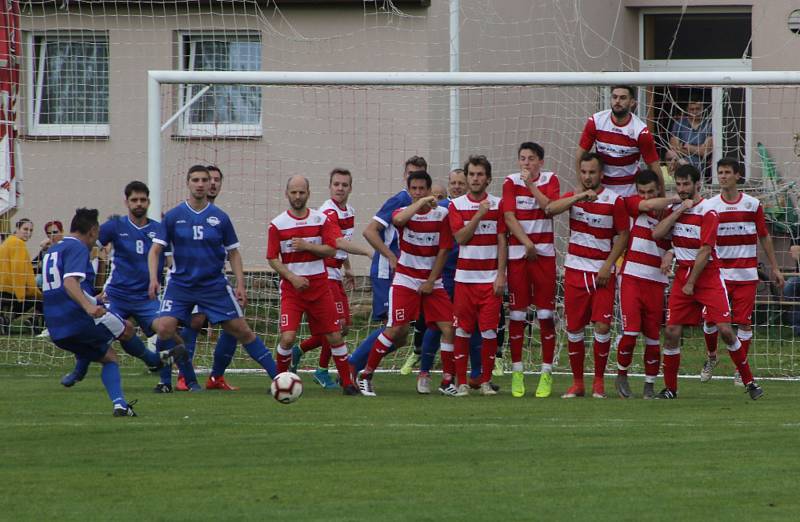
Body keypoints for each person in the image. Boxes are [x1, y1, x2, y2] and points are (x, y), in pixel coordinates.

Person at [43, 208, 182, 416]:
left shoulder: (53, 250)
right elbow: (69, 283)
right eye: (97, 235)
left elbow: (58, 288)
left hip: (55, 326)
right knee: (125, 329)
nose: (96, 241)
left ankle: (120, 405)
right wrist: (89, 306)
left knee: (107, 353)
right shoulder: (78, 248)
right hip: (78, 318)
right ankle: (155, 362)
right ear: (91, 231)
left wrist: (92, 298)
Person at [148, 165, 277, 390]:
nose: (200, 184)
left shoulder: (220, 218)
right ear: (188, 183)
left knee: (242, 330)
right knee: (165, 328)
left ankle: (279, 378)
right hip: (181, 285)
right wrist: (153, 278)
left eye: (204, 180)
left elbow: (234, 253)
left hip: (213, 285)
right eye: (195, 180)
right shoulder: (173, 216)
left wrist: (241, 285)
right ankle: (171, 381)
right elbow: (155, 251)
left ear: (210, 185)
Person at [652, 164, 763, 400]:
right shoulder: (676, 209)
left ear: (697, 185)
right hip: (683, 274)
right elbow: (657, 233)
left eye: (686, 184)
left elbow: (704, 251)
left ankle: (749, 381)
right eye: (678, 184)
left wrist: (691, 282)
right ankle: (670, 388)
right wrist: (678, 210)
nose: (681, 189)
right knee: (671, 331)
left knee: (725, 330)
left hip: (708, 276)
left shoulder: (708, 212)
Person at [60, 182, 181, 389]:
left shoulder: (159, 229)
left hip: (147, 298)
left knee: (165, 328)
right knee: (100, 331)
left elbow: (171, 262)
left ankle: (165, 381)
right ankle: (79, 371)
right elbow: (87, 246)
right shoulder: (115, 226)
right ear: (126, 202)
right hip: (116, 295)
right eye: (134, 200)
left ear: (149, 202)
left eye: (143, 200)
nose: (139, 204)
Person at [357, 170, 455, 396]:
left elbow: (443, 251)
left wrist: (431, 281)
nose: (419, 192)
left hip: (432, 281)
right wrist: (419, 203)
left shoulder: (442, 215)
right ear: (409, 191)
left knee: (448, 328)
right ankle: (366, 375)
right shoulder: (402, 212)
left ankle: (447, 381)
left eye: (423, 189)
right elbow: (398, 220)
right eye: (414, 189)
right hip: (406, 279)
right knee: (396, 329)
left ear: (430, 190)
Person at [546, 152, 629, 399]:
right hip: (575, 271)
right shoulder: (574, 198)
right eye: (583, 172)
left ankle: (599, 382)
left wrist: (608, 265)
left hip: (602, 272)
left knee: (602, 326)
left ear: (601, 174)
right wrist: (580, 195)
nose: (587, 176)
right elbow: (550, 209)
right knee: (574, 327)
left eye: (592, 172)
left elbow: (623, 235)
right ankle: (577, 383)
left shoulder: (614, 201)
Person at [267, 176, 358, 396]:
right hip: (292, 289)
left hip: (319, 287)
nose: (297, 196)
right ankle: (279, 381)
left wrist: (308, 246)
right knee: (288, 338)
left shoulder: (320, 220)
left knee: (335, 335)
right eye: (293, 192)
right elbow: (272, 258)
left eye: (301, 192)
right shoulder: (277, 224)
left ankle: (348, 383)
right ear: (286, 193)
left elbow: (331, 249)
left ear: (308, 193)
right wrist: (292, 277)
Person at [701, 158, 784, 385]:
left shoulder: (752, 205)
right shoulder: (710, 206)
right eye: (720, 172)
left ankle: (741, 368)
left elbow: (764, 236)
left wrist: (775, 267)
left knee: (744, 323)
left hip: (746, 274)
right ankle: (711, 357)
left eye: (728, 172)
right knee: (710, 321)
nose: (723, 176)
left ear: (738, 176)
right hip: (717, 275)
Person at [290, 168, 372, 388]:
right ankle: (322, 370)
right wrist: (367, 252)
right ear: (330, 187)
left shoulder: (349, 211)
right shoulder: (328, 211)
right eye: (336, 184)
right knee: (337, 325)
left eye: (344, 185)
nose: (340, 188)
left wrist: (348, 267)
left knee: (343, 327)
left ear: (350, 188)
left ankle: (299, 351)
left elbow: (339, 242)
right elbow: (337, 242)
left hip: (336, 272)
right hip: (323, 273)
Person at [348, 156, 427, 374]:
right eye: (410, 174)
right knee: (393, 329)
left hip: (406, 274)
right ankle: (352, 367)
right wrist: (391, 257)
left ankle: (358, 366)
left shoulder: (422, 204)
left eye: (419, 174)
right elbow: (369, 231)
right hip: (387, 272)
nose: (415, 181)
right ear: (405, 177)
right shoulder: (399, 200)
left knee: (400, 337)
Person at [614, 170, 680, 399]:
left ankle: (649, 384)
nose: (645, 197)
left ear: (658, 189)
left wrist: (670, 253)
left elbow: (678, 241)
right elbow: (645, 204)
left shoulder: (672, 215)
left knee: (653, 335)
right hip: (632, 277)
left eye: (650, 191)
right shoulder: (633, 204)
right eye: (642, 192)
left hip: (656, 281)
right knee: (630, 331)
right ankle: (621, 375)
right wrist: (675, 198)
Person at [502, 142, 560, 398]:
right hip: (519, 256)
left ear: (540, 162)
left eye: (531, 159)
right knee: (517, 316)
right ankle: (517, 372)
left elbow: (549, 207)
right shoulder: (509, 182)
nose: (526, 163)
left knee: (546, 315)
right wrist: (527, 243)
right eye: (522, 158)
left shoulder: (550, 180)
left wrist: (531, 185)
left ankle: (546, 372)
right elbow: (509, 217)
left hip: (544, 256)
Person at [449, 155, 507, 396]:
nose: (475, 178)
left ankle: (485, 380)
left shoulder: (499, 204)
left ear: (488, 179)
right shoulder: (456, 205)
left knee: (489, 332)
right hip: (464, 280)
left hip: (490, 279)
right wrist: (478, 215)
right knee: (462, 330)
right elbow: (460, 238)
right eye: (471, 174)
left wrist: (501, 275)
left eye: (479, 174)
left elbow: (502, 241)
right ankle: (461, 381)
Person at [576, 85, 661, 197]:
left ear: (632, 102)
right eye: (614, 97)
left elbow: (654, 166)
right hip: (601, 189)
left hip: (629, 191)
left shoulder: (641, 131)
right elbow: (580, 155)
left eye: (622, 98)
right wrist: (580, 184)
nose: (617, 101)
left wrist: (661, 197)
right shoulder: (596, 121)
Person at [0, 218, 42, 334]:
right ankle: (31, 319)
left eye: (31, 230)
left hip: (2, 289)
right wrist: (26, 293)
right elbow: (19, 271)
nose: (28, 232)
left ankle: (5, 319)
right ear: (17, 229)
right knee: (40, 299)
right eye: (25, 229)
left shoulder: (8, 242)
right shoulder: (18, 244)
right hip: (10, 291)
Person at [669, 96, 712, 179]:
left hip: (702, 171)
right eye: (692, 109)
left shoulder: (709, 125)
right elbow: (675, 149)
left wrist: (686, 146)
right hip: (682, 167)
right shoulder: (679, 124)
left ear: (703, 109)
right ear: (687, 110)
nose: (695, 111)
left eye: (698, 109)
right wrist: (698, 150)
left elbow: (705, 152)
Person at [33, 220, 64, 285]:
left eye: (55, 232)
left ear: (62, 232)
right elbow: (33, 265)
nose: (52, 235)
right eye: (49, 233)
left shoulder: (67, 247)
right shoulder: (46, 249)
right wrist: (44, 250)